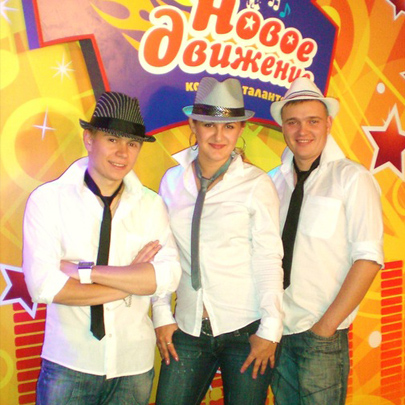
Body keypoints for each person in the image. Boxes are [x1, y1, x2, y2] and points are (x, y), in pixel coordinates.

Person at [22, 91, 181, 405]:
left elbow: (168, 277)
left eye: (132, 144)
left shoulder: (151, 205)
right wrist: (131, 281)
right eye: (112, 139)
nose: (123, 153)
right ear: (89, 139)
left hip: (134, 366)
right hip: (69, 363)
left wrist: (87, 272)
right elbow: (44, 287)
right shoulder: (48, 201)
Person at [152, 76, 284, 405]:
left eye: (229, 126)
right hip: (188, 327)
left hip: (246, 329)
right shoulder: (172, 182)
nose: (218, 135)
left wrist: (270, 329)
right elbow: (162, 252)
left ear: (240, 130)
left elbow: (269, 258)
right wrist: (161, 313)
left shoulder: (256, 184)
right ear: (193, 125)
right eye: (209, 124)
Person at [268, 77, 384, 404]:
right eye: (293, 122)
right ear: (283, 128)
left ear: (328, 124)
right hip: (275, 331)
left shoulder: (352, 178)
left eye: (313, 121)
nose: (302, 130)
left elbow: (368, 258)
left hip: (321, 335)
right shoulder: (272, 183)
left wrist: (325, 327)